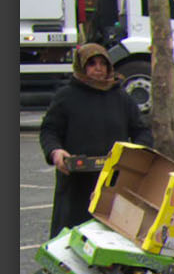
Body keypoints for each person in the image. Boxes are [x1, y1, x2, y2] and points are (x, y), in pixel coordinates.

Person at [38, 42, 154, 237]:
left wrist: (134, 152)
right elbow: (49, 131)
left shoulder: (121, 97)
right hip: (76, 183)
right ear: (81, 66)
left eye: (102, 63)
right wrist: (56, 152)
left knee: (109, 239)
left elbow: (142, 131)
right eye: (92, 64)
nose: (98, 68)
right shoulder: (66, 96)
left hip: (113, 180)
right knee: (71, 240)